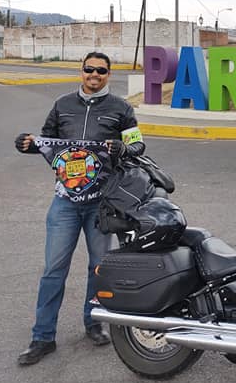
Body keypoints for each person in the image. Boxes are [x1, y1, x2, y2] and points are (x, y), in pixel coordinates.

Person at [14, 51, 145, 366]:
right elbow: (46, 141)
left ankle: (93, 323)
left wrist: (124, 148)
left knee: (98, 268)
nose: (94, 75)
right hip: (65, 203)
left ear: (108, 75)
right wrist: (27, 144)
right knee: (53, 270)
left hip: (102, 204)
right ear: (81, 71)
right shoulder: (62, 105)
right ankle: (42, 337)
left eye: (101, 70)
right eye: (89, 69)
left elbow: (138, 145)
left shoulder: (122, 109)